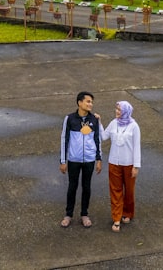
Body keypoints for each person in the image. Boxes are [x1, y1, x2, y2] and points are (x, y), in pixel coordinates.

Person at [59, 91, 103, 228]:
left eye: (91, 102)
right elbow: (64, 139)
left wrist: (99, 159)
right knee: (72, 186)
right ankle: (68, 214)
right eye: (88, 101)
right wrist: (63, 161)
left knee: (87, 187)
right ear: (79, 102)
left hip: (89, 160)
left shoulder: (94, 119)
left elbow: (98, 139)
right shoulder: (70, 119)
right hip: (74, 159)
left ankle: (84, 214)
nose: (91, 104)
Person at [101, 100, 141, 232]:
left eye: (119, 110)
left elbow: (137, 147)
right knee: (115, 190)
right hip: (114, 162)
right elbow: (103, 136)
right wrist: (98, 122)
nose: (117, 111)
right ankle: (116, 218)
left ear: (126, 111)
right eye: (116, 109)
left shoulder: (134, 126)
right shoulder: (113, 123)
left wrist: (136, 166)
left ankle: (128, 212)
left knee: (129, 191)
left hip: (129, 164)